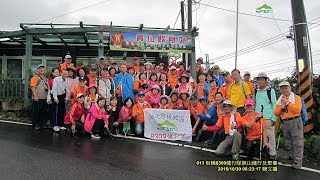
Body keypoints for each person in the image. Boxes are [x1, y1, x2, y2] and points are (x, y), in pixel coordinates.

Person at [274, 81, 303, 169]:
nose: (284, 90)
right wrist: (281, 108)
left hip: (295, 121)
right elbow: (276, 113)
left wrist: (287, 103)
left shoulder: (296, 98)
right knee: (288, 142)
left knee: (297, 142)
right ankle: (291, 158)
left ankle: (298, 161)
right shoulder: (280, 100)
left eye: (286, 87)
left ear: (290, 88)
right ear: (280, 90)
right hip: (285, 122)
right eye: (282, 88)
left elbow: (297, 110)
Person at [253, 72, 277, 160]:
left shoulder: (270, 91)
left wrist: (274, 118)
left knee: (270, 135)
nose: (260, 81)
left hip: (268, 117)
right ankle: (262, 151)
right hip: (257, 117)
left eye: (262, 79)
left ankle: (272, 153)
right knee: (260, 134)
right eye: (258, 80)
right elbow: (254, 103)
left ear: (266, 81)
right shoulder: (256, 91)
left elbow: (275, 105)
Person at [30, 64, 49, 130]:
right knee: (36, 112)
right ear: (37, 70)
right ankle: (35, 124)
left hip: (45, 98)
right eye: (40, 68)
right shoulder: (35, 77)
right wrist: (35, 96)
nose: (41, 70)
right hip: (38, 98)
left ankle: (42, 124)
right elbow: (33, 87)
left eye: (43, 68)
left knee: (43, 112)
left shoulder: (45, 78)